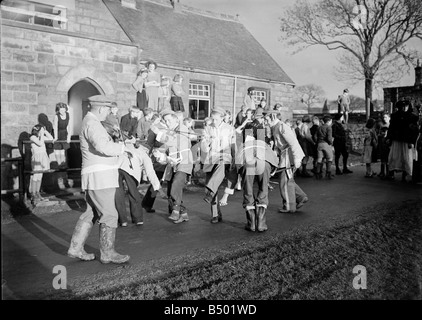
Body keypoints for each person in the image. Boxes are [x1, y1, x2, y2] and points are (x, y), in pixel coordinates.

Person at [67, 95, 132, 264]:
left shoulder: (90, 122)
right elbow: (103, 147)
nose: (109, 112)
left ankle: (75, 248)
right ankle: (107, 253)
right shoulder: (93, 123)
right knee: (110, 214)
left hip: (94, 176)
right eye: (108, 109)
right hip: (100, 176)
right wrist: (124, 147)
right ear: (102, 108)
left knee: (91, 213)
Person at [236, 107, 278, 231]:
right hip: (263, 161)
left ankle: (251, 223)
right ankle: (261, 223)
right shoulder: (262, 136)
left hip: (248, 160)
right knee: (263, 189)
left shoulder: (246, 137)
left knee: (248, 190)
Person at [154, 109, 193, 224]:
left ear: (176, 119)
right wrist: (159, 152)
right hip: (173, 164)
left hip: (184, 162)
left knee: (176, 185)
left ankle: (176, 209)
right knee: (172, 188)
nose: (167, 123)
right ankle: (183, 213)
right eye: (165, 121)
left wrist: (159, 133)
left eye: (169, 120)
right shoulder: (171, 131)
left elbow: (173, 141)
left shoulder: (183, 129)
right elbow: (166, 146)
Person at [115, 141, 164, 227]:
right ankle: (137, 219)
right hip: (131, 170)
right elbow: (150, 173)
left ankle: (122, 220)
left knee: (118, 195)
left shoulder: (130, 145)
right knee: (133, 193)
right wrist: (159, 188)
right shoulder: (145, 155)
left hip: (117, 166)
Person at [201, 107, 237, 223]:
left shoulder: (230, 129)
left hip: (224, 157)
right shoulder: (207, 129)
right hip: (211, 158)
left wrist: (234, 159)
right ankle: (216, 215)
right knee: (212, 185)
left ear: (222, 118)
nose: (214, 122)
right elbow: (203, 147)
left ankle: (210, 192)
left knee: (220, 169)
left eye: (216, 119)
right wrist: (207, 142)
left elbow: (233, 146)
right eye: (212, 119)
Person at [271, 111, 308, 213]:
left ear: (273, 117)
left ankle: (289, 206)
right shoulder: (274, 127)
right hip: (285, 156)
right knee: (287, 180)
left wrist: (297, 158)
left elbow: (293, 142)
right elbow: (278, 144)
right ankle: (301, 197)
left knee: (285, 182)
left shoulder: (281, 126)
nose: (265, 121)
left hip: (289, 156)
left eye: (266, 119)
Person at [386, 100, 419, 182]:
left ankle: (405, 175)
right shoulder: (395, 116)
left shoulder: (412, 117)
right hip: (396, 139)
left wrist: (411, 141)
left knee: (406, 158)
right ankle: (391, 174)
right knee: (393, 157)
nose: (404, 108)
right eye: (402, 106)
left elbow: (414, 130)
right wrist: (389, 138)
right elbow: (391, 128)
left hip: (406, 141)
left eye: (406, 106)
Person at [29, 124, 54, 204]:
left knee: (40, 176)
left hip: (43, 157)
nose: (42, 132)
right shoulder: (33, 137)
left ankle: (37, 192)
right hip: (37, 158)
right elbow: (39, 143)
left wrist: (45, 131)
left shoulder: (42, 137)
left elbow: (51, 139)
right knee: (35, 175)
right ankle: (33, 193)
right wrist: (42, 134)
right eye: (41, 130)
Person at [315, 115, 334, 180]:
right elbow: (329, 138)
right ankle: (328, 173)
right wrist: (331, 143)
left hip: (319, 144)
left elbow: (315, 136)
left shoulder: (319, 127)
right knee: (329, 158)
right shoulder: (329, 128)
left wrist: (317, 142)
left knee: (319, 159)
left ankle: (318, 173)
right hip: (326, 144)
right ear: (329, 121)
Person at [53, 102, 71, 168]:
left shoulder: (68, 115)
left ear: (65, 109)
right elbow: (55, 127)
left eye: (63, 109)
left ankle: (63, 167)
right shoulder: (56, 116)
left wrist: (69, 137)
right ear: (58, 110)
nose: (62, 111)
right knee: (57, 151)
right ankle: (59, 165)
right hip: (58, 133)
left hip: (64, 133)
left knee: (63, 151)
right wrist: (55, 137)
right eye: (60, 109)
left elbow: (69, 126)